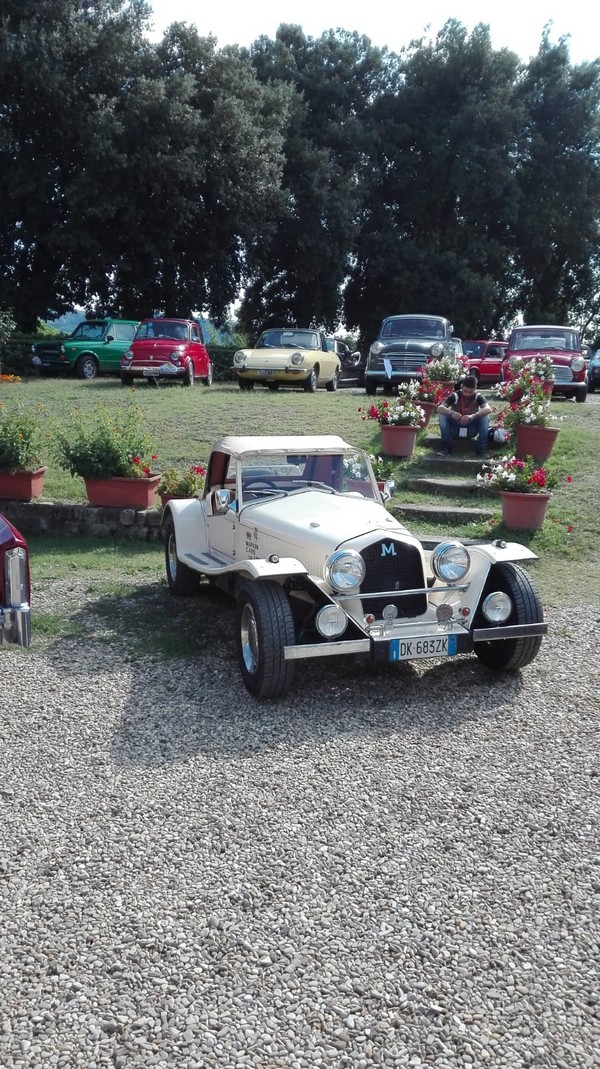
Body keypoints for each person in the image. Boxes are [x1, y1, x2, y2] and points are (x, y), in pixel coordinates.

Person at [436, 374, 491, 456]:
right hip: (455, 428)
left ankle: (481, 449)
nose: (467, 394)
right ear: (461, 386)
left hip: (471, 429)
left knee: (485, 417)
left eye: (470, 392)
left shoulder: (478, 396)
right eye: (465, 391)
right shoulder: (455, 395)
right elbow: (439, 408)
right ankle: (446, 448)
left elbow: (488, 409)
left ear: (475, 389)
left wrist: (473, 416)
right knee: (442, 416)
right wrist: (452, 413)